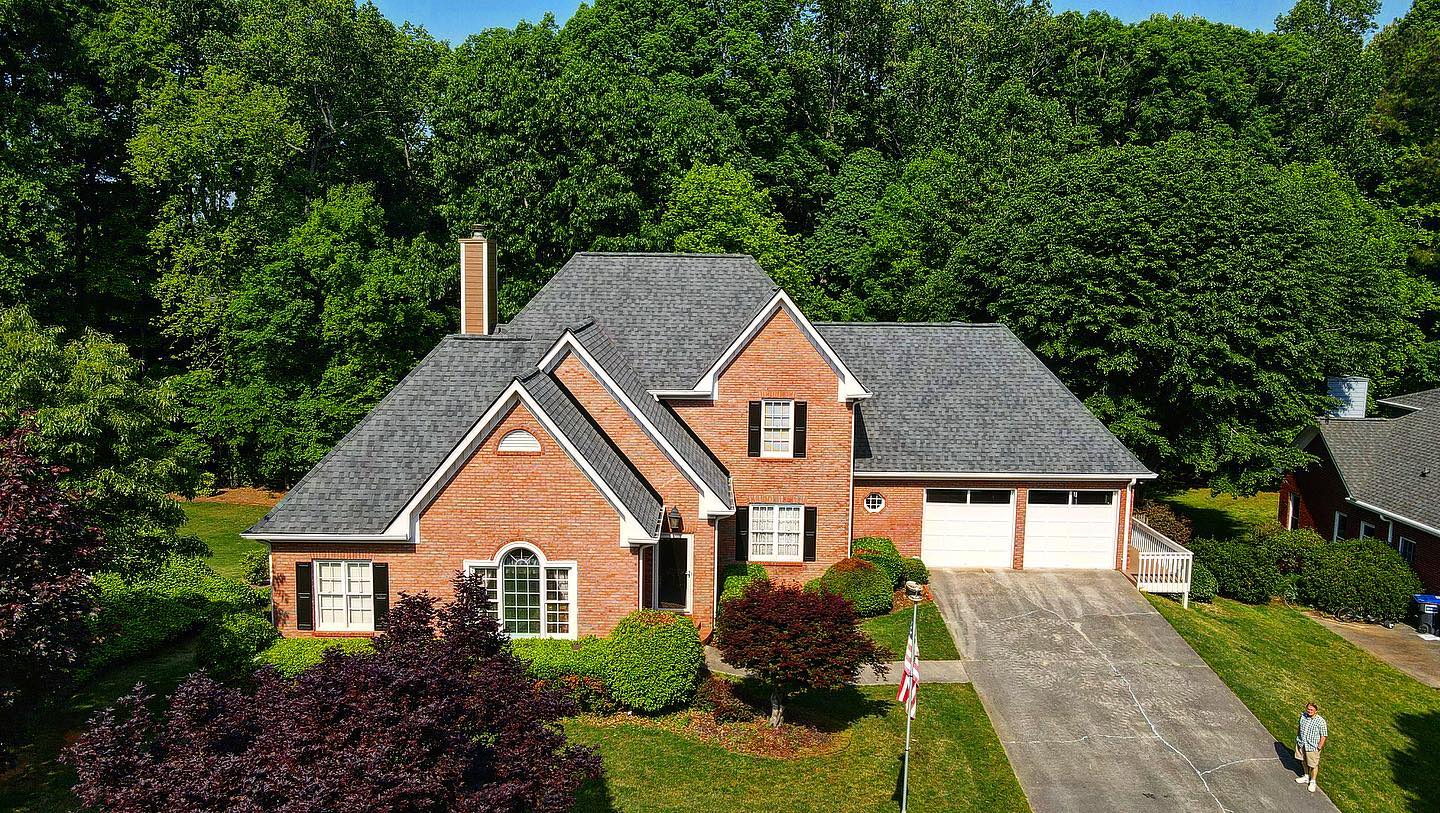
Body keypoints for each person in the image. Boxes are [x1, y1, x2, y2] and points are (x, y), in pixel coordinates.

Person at [1293, 702, 1328, 792]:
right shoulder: (1303, 716)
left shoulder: (1320, 721)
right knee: (1303, 761)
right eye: (1308, 709)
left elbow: (1324, 735)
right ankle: (1306, 776)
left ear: (1316, 711)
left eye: (1312, 709)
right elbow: (1299, 727)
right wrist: (1298, 738)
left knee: (1313, 765)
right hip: (1302, 743)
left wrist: (1319, 746)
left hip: (1312, 746)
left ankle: (1313, 781)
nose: (1309, 711)